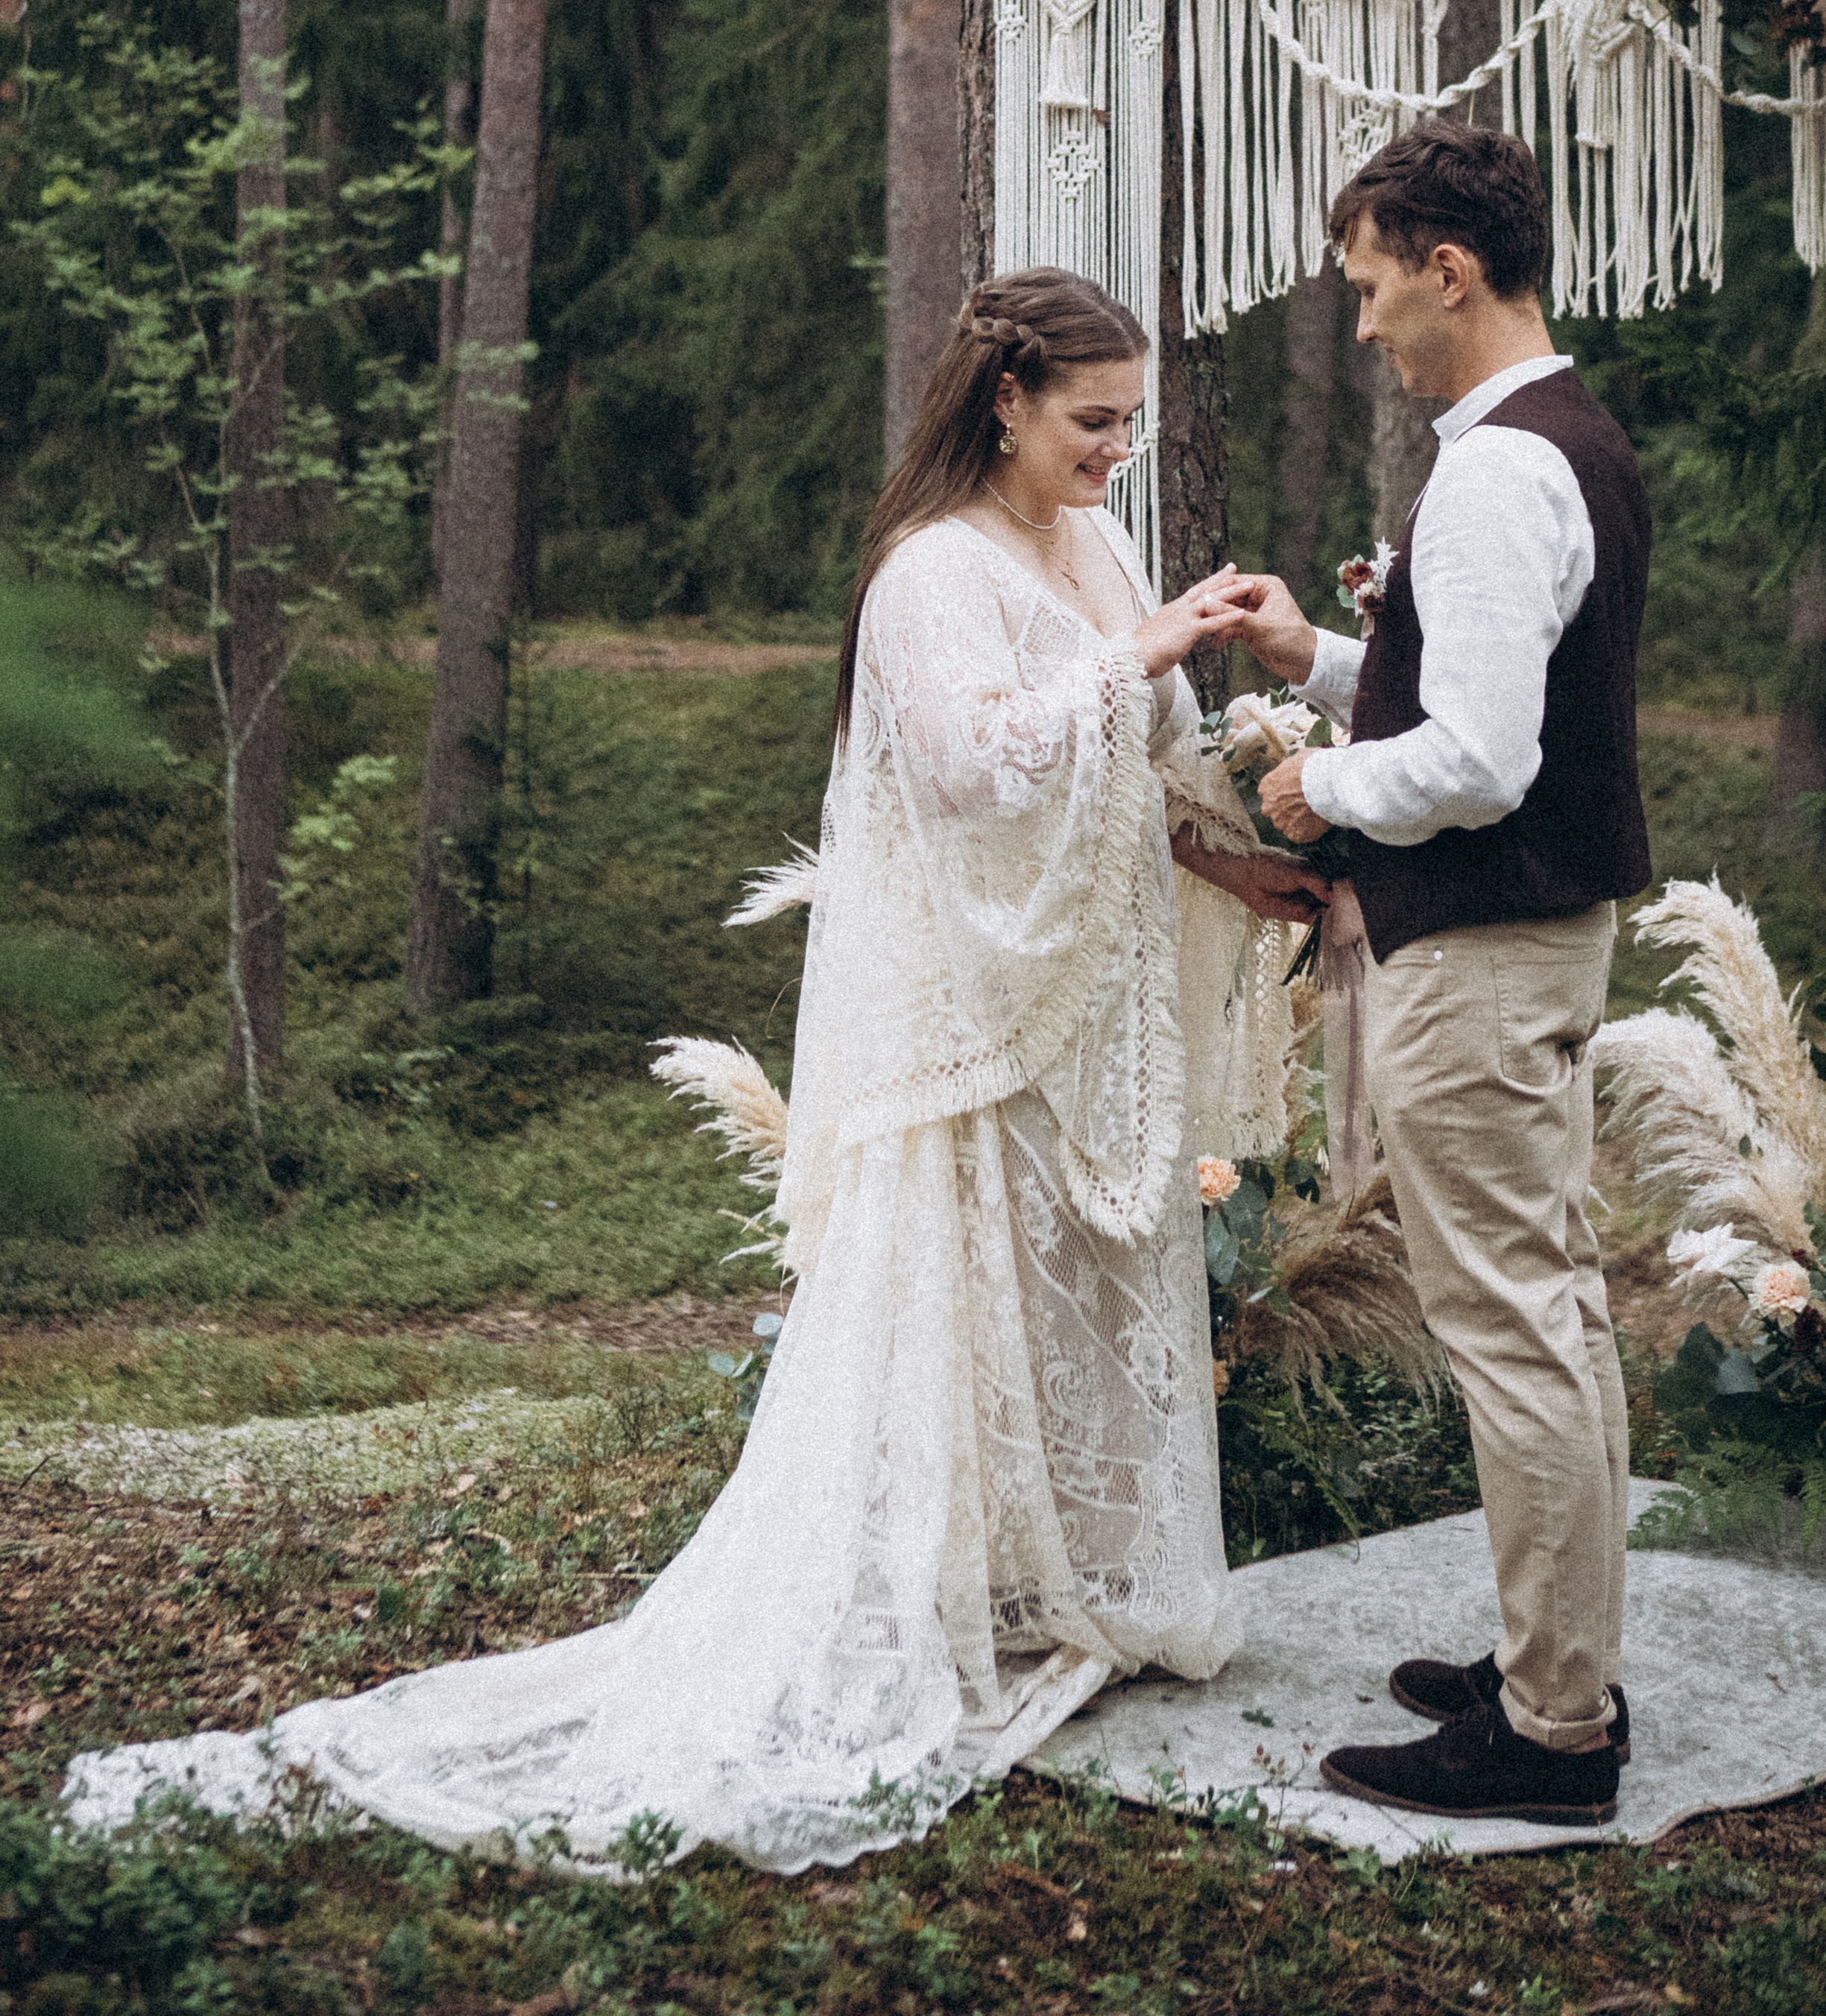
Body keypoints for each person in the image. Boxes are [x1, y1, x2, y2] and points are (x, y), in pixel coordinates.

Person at [64, 268, 1324, 1874]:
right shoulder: (926, 574)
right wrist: (1141, 645)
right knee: (958, 1314)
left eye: (1131, 427)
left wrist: (1238, 863)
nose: (1114, 456)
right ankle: (927, 1605)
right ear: (1001, 399)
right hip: (970, 1014)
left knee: (1075, 1304)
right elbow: (965, 763)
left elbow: (1123, 773)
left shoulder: (1091, 543)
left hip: (1084, 1002)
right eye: (1093, 422)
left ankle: (1055, 1589)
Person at [1235, 117, 1649, 1828]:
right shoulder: (1568, 439)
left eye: (1366, 284)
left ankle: (1551, 1736)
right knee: (1545, 1306)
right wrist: (1323, 659)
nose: (1360, 325)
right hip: (1531, 927)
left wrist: (1310, 782)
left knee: (1509, 1323)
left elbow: (1474, 761)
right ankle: (1562, 1666)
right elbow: (1488, 696)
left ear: (1445, 269)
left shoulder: (1491, 468)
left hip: (1477, 945)